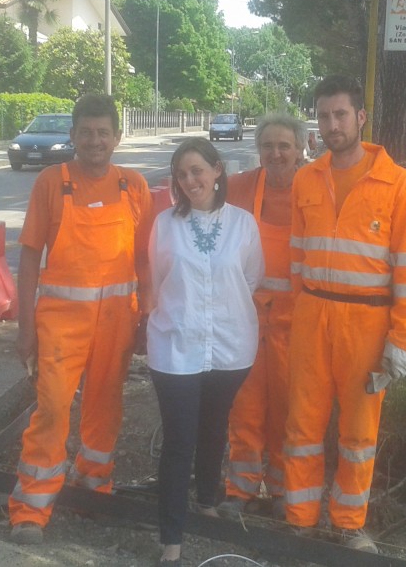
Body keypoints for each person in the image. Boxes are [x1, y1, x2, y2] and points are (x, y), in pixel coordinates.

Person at [282, 75, 406, 553]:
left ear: (361, 117)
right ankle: (298, 520)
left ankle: (347, 523)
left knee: (358, 432)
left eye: (340, 114)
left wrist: (402, 340)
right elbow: (296, 258)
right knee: (301, 423)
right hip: (312, 314)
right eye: (323, 116)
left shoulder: (399, 185)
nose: (331, 124)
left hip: (367, 325)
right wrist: (294, 315)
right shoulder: (307, 177)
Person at [9, 95, 152, 545]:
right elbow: (30, 256)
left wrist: (146, 315)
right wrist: (25, 328)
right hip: (60, 324)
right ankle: (32, 506)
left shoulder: (133, 186)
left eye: (103, 132)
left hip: (117, 321)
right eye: (86, 132)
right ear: (72, 136)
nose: (95, 140)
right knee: (52, 407)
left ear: (117, 137)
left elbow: (146, 259)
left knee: (105, 407)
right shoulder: (53, 182)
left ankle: (93, 485)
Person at [147, 138, 264, 566]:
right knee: (180, 440)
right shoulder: (164, 225)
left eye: (197, 170)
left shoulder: (243, 224)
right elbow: (157, 279)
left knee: (215, 428)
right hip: (176, 346)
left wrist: (221, 311)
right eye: (182, 174)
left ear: (217, 171)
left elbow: (251, 278)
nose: (190, 180)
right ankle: (172, 537)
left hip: (231, 347)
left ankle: (207, 499)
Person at [218, 114, 307, 520]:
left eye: (284, 146)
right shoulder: (239, 188)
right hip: (247, 318)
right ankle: (240, 488)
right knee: (245, 406)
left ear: (300, 149)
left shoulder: (314, 189)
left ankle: (284, 488)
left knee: (290, 409)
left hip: (297, 322)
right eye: (268, 145)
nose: (275, 153)